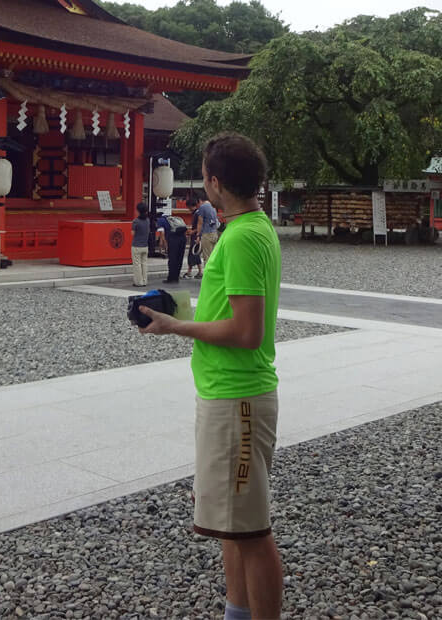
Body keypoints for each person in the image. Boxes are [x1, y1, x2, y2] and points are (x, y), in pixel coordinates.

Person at [138, 132, 283, 620]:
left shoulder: (242, 238)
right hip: (226, 394)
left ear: (216, 183)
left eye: (204, 176)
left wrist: (176, 326)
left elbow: (247, 330)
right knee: (230, 525)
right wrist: (181, 310)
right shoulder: (253, 227)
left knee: (251, 531)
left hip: (237, 398)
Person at [156, 210, 188, 283]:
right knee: (179, 259)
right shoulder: (173, 218)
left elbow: (162, 234)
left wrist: (165, 245)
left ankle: (171, 278)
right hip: (183, 238)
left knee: (172, 259)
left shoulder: (160, 220)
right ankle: (176, 277)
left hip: (173, 239)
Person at [196, 192, 221, 263]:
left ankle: (208, 273)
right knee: (213, 257)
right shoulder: (213, 206)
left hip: (206, 234)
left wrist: (198, 235)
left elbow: (200, 223)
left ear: (200, 200)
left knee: (207, 257)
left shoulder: (202, 207)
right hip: (214, 233)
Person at [132, 203, 151, 287]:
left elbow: (132, 233)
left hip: (136, 245)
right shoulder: (147, 220)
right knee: (144, 264)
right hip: (145, 245)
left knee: (137, 265)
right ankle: (145, 281)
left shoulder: (136, 221)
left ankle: (138, 282)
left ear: (138, 211)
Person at [186, 194, 203, 279]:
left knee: (193, 254)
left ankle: (192, 271)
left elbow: (199, 226)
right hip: (196, 235)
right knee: (195, 254)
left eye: (188, 207)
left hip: (196, 236)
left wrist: (193, 232)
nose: (188, 209)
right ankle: (197, 271)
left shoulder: (197, 214)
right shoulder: (197, 212)